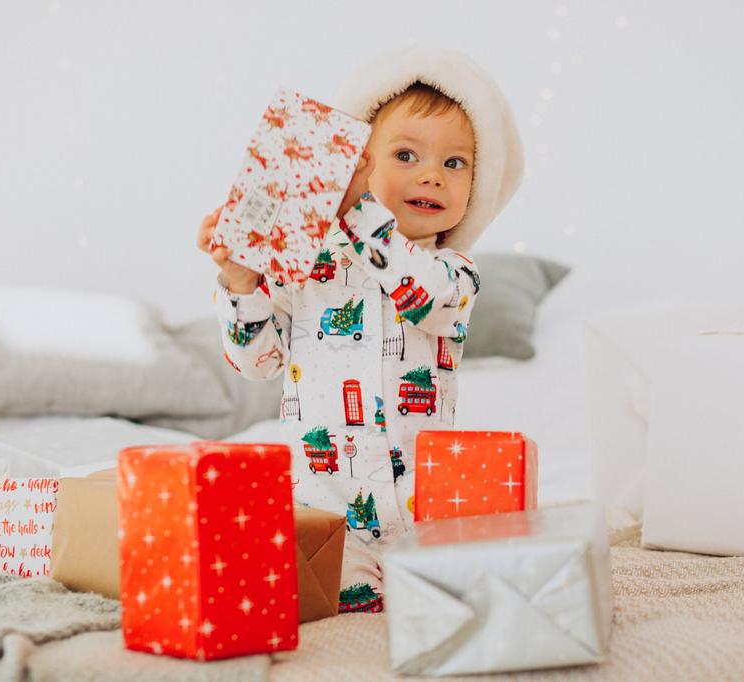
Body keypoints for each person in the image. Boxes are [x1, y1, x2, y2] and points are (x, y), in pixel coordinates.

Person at [197, 45, 523, 611]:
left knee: (453, 615)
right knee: (323, 620)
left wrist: (357, 212)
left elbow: (423, 299)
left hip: (425, 508)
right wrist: (242, 283)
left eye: (455, 163)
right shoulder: (307, 265)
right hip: (325, 511)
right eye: (405, 154)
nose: (432, 175)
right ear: (358, 162)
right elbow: (258, 363)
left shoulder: (454, 273)